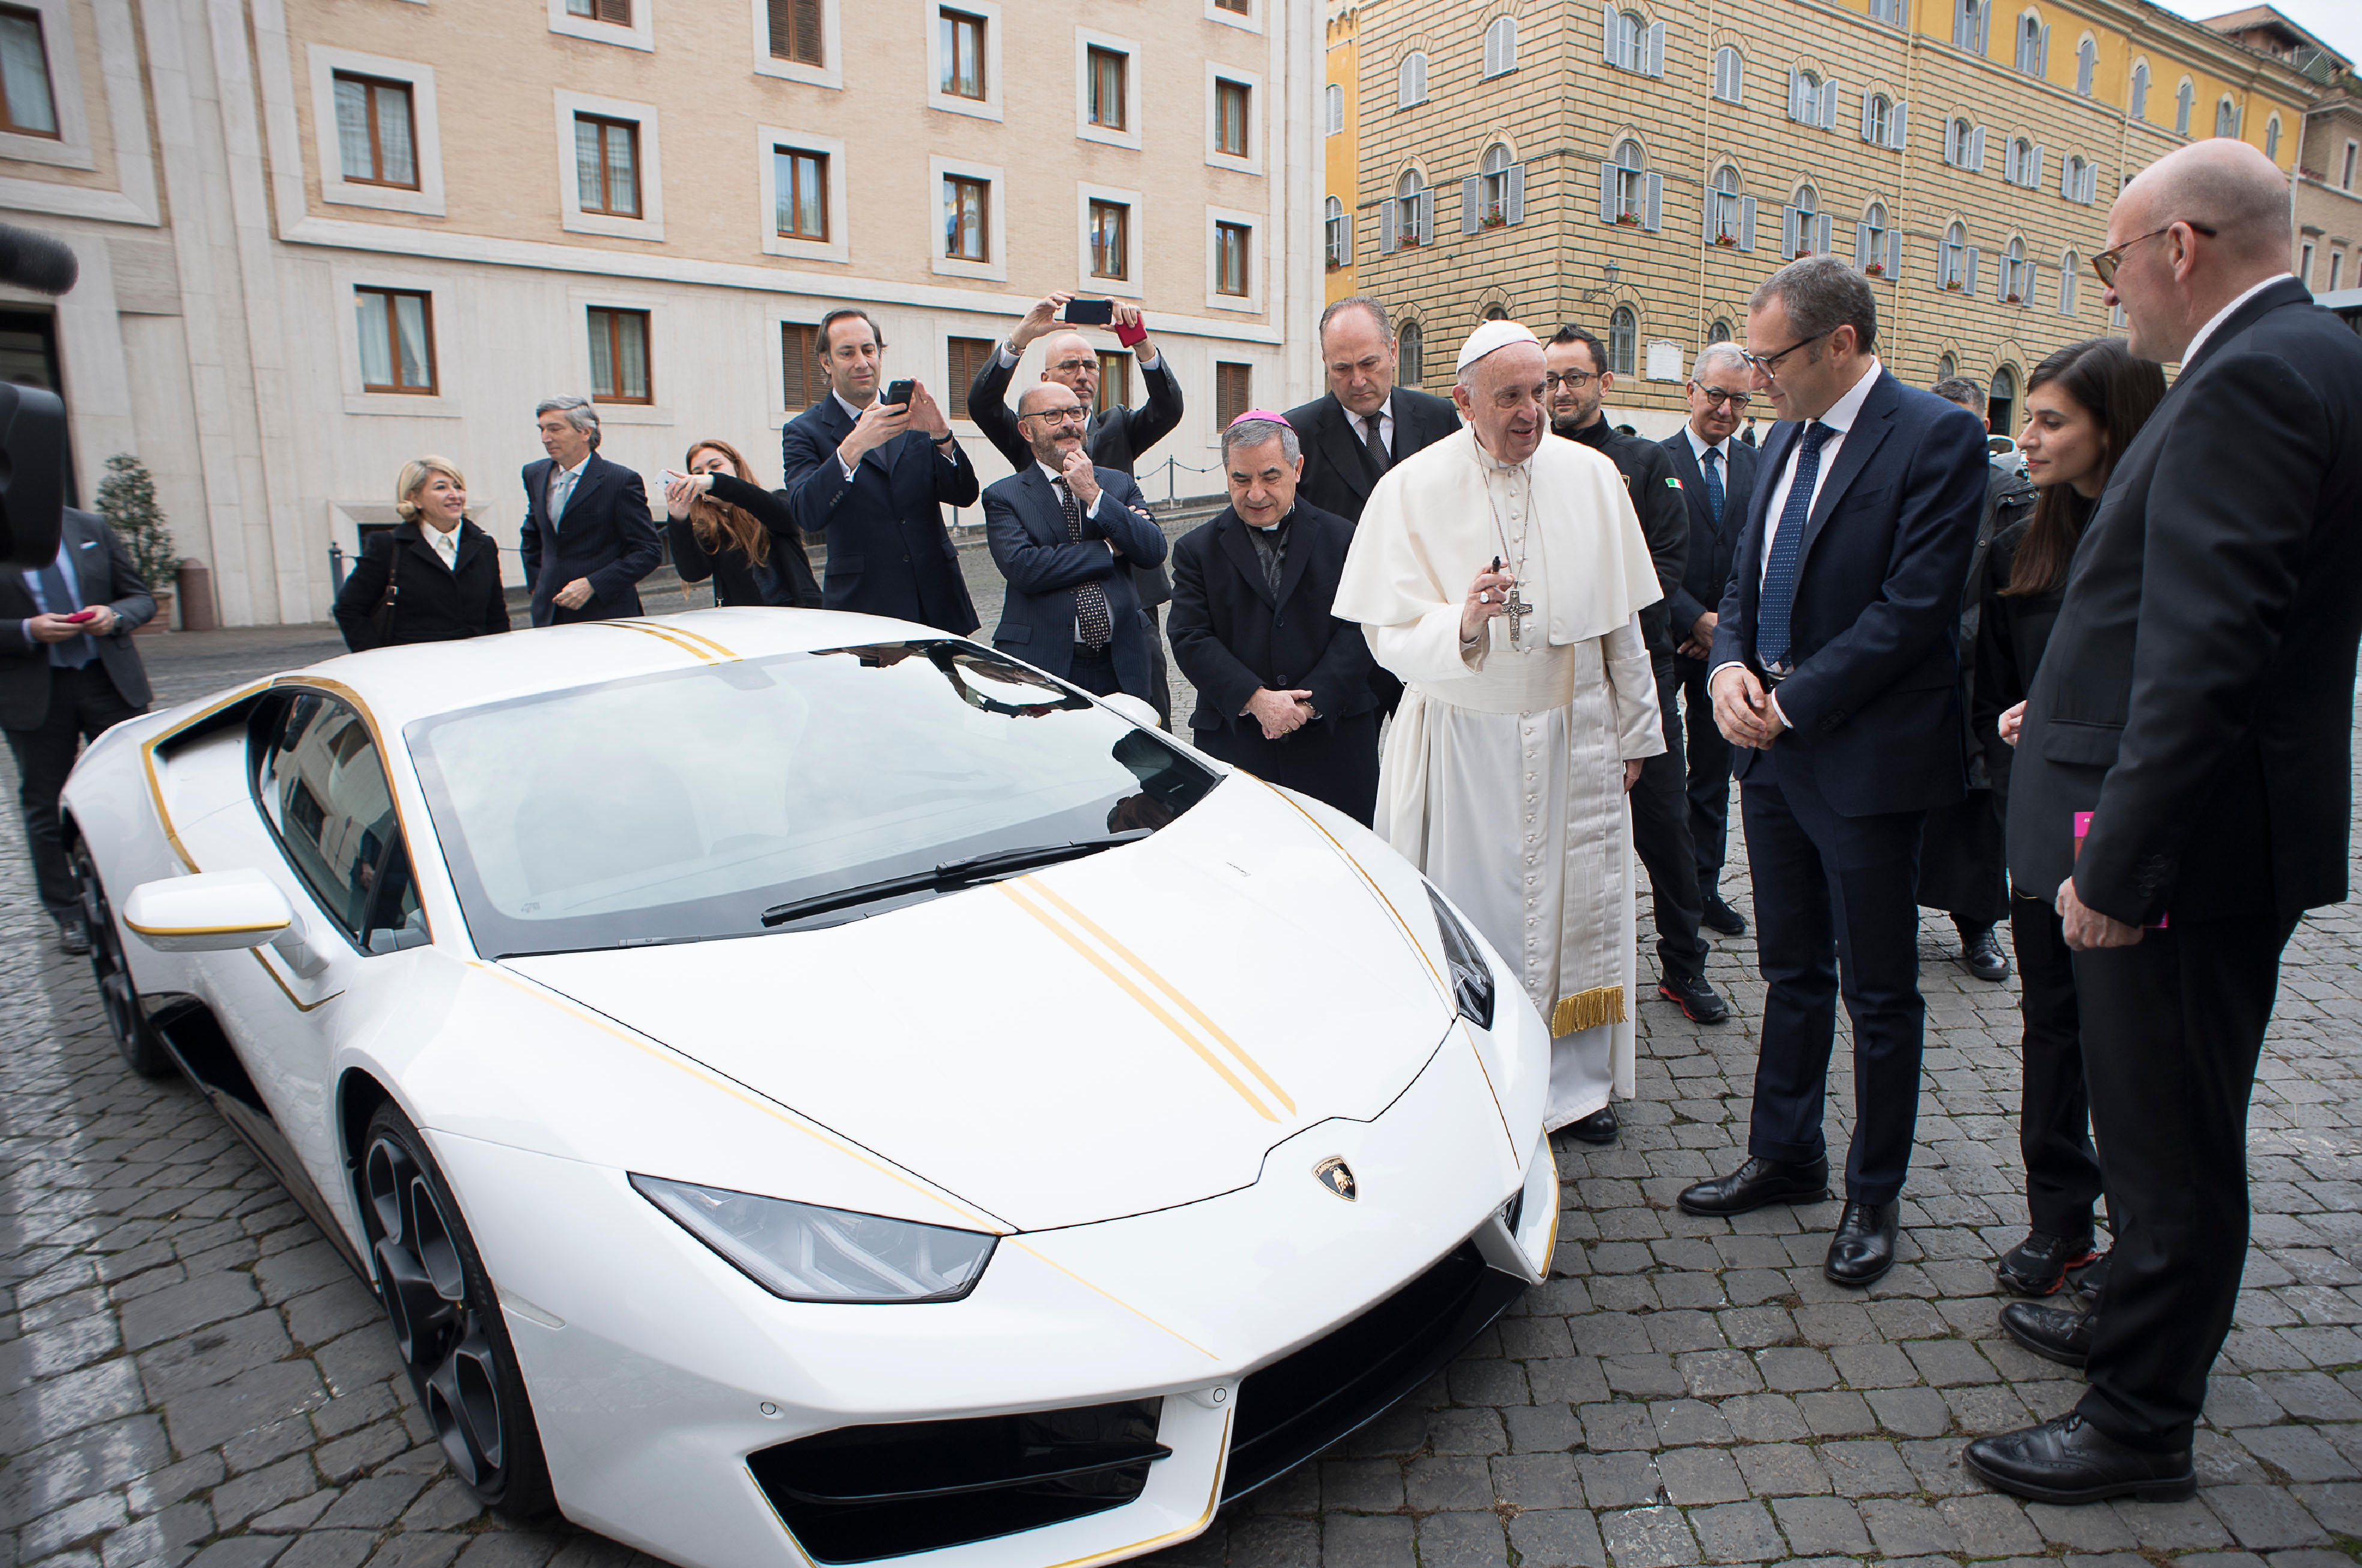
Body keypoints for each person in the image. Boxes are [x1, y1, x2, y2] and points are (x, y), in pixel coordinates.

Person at [1963, 139, 2362, 1506]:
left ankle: (2137, 1421)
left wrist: (2118, 868)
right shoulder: (2303, 360)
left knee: (2165, 1145)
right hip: (2214, 834)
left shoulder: (2249, 377)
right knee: (2163, 1132)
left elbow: (2207, 652)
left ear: (2176, 248)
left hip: (2181, 856)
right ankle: (2124, 1329)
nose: (2111, 285)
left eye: (2109, 258)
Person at [1676, 256, 1988, 1289]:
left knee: (1880, 989)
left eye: (1771, 361)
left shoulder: (1933, 437)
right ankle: (1786, 1154)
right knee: (1791, 970)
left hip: (1862, 760)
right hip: (1770, 758)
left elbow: (1913, 609)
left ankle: (1872, 1193)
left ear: (1839, 345)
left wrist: (1790, 701)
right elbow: (1739, 575)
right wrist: (1725, 670)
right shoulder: (1777, 439)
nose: (1755, 380)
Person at [1334, 320, 1665, 1144]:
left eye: (1540, 391)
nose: (1532, 411)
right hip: (1465, 743)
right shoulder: (1411, 488)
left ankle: (1575, 1087)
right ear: (1463, 401)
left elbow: (1620, 623)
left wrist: (1635, 734)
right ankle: (1482, 1078)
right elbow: (1386, 631)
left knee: (1572, 913)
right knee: (1479, 916)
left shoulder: (1592, 476)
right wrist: (1463, 622)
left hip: (1572, 736)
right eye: (1510, 395)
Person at [1970, 341, 2167, 1300]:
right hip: (2044, 822)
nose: (2029, 436)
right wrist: (2014, 728)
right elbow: (1998, 689)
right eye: (2030, 417)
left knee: (2129, 1042)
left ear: (2112, 426)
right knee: (2051, 1026)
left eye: (2052, 420)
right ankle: (2061, 1220)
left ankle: (2144, 1243)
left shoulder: (2164, 538)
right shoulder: (2018, 542)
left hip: (2129, 823)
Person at [1547, 325, 1728, 1032]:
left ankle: (1683, 964)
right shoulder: (1531, 462)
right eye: (1551, 379)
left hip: (1634, 673)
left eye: (1574, 377)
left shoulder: (1643, 463)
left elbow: (1663, 566)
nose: (1562, 392)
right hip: (1554, 681)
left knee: (1664, 827)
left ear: (1603, 383)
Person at [967, 292, 1181, 722]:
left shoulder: (1118, 425)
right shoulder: (1026, 439)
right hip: (1053, 618)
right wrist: (1020, 338)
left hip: (1131, 598)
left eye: (1090, 366)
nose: (1081, 375)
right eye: (1069, 366)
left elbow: (1168, 408)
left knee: (1151, 721)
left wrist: (1140, 343)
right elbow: (983, 405)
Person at [1167, 413, 1379, 823]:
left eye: (1270, 476)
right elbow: (1190, 637)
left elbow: (1362, 627)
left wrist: (1308, 704)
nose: (1256, 493)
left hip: (1333, 740)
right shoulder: (1196, 550)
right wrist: (1256, 699)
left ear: (1297, 469)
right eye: (1241, 479)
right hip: (1239, 743)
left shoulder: (1343, 537)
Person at [1919, 376, 2040, 982]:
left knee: (1977, 809)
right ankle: (1885, 916)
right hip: (1909, 674)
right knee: (1903, 804)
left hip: (1978, 673)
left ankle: (1976, 924)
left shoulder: (2012, 495)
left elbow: (2015, 591)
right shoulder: (1910, 482)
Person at [1, 508, 154, 952]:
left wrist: (115, 615)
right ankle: (70, 914)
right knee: (45, 807)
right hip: (35, 691)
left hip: (107, 681)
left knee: (135, 794)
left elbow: (139, 597)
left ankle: (144, 897)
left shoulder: (89, 527)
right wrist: (26, 630)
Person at [782, 308, 981, 634]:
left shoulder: (912, 413)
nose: (861, 362)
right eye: (847, 353)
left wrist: (942, 435)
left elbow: (964, 495)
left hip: (939, 603)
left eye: (868, 350)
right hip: (865, 609)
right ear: (826, 362)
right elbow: (807, 513)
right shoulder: (804, 431)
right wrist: (853, 447)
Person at [982, 384, 1167, 701]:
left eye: (1076, 413)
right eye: (1053, 415)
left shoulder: (1116, 484)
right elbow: (1026, 568)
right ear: (1026, 430)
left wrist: (1095, 496)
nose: (1069, 423)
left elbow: (1152, 550)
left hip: (1122, 659)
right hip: (1044, 660)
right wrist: (1108, 548)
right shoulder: (1004, 496)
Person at [1660, 345, 1759, 939]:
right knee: (1660, 775)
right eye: (1716, 395)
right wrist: (1691, 618)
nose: (1725, 409)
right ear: (1691, 391)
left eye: (1739, 399)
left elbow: (1759, 555)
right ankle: (1668, 887)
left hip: (1724, 650)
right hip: (1666, 641)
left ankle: (1704, 886)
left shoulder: (1756, 464)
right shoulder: (1656, 460)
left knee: (1712, 776)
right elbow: (1643, 555)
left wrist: (1720, 628)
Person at [1284, 297, 1462, 525]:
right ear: (1325, 363)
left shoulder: (1440, 419)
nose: (1358, 381)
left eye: (1369, 364)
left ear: (1393, 352)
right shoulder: (1296, 434)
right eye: (1342, 369)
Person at [335, 457, 511, 651]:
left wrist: (500, 657)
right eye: (441, 487)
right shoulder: (388, 546)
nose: (455, 495)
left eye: (458, 487)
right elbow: (349, 609)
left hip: (474, 663)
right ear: (415, 498)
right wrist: (376, 659)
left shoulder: (484, 545)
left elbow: (496, 614)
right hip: (412, 668)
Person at [518, 396, 662, 628]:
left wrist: (593, 584)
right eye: (542, 429)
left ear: (585, 432)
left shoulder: (620, 481)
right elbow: (533, 534)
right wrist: (539, 585)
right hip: (549, 615)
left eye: (555, 429)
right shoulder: (534, 474)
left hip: (607, 616)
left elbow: (648, 551)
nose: (545, 438)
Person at [661, 438, 822, 609]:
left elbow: (785, 517)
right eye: (698, 473)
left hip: (800, 615)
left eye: (715, 466)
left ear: (736, 466)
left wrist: (716, 483)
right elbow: (693, 573)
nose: (706, 475)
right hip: (745, 624)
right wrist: (679, 518)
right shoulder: (707, 527)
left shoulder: (775, 500)